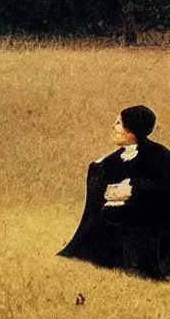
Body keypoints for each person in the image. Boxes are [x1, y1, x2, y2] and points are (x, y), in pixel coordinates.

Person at [58, 105, 170, 279]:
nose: (114, 127)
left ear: (133, 128)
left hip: (148, 221)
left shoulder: (160, 155)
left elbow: (163, 188)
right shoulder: (112, 160)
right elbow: (100, 182)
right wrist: (97, 173)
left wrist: (133, 189)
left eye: (119, 123)